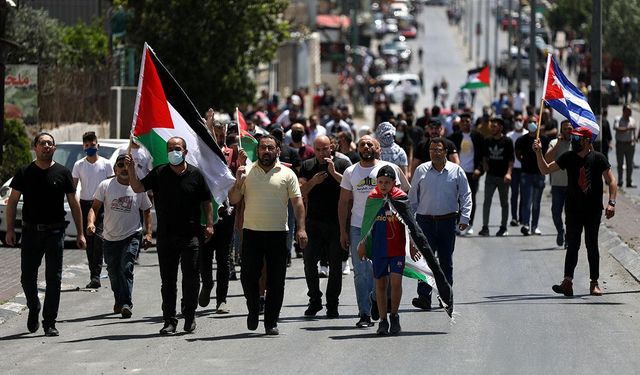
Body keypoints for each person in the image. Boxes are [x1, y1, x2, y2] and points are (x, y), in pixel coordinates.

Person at [127, 136, 214, 334]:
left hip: (191, 235)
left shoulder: (196, 174)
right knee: (168, 280)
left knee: (191, 278)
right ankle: (169, 320)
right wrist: (131, 171)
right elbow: (138, 187)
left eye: (177, 148)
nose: (174, 151)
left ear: (184, 151)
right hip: (166, 236)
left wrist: (209, 224)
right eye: (170, 149)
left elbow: (206, 202)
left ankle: (189, 315)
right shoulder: (159, 173)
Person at [5, 132, 86, 336]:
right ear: (35, 147)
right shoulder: (24, 172)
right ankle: (34, 307)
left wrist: (80, 233)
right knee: (27, 278)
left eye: (50, 143)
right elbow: (12, 201)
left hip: (55, 233)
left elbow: (74, 204)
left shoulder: (63, 172)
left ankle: (50, 322)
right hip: (30, 232)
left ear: (54, 148)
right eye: (42, 143)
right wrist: (9, 230)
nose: (46, 146)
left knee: (54, 278)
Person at [228, 135, 308, 335]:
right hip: (252, 233)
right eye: (263, 148)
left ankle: (271, 322)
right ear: (258, 150)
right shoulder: (246, 171)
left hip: (278, 234)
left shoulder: (287, 174)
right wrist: (238, 182)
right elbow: (234, 199)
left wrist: (301, 228)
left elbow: (298, 203)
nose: (266, 151)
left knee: (276, 280)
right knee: (248, 277)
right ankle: (253, 309)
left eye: (270, 148)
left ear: (277, 151)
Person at [533, 127, 617, 296]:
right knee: (573, 245)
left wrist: (611, 203)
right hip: (573, 209)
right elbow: (545, 169)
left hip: (592, 210)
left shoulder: (598, 158)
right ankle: (567, 282)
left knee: (591, 245)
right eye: (573, 137)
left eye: (578, 138)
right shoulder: (568, 157)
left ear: (586, 140)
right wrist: (538, 152)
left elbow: (612, 181)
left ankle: (594, 282)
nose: (574, 141)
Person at [338, 136, 409, 328]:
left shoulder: (390, 168)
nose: (366, 147)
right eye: (362, 144)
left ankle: (381, 304)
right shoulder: (350, 172)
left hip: (387, 228)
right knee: (361, 272)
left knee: (385, 276)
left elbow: (403, 198)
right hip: (358, 228)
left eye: (370, 144)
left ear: (378, 148)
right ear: (357, 148)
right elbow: (344, 202)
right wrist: (342, 232)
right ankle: (364, 314)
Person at [409, 137, 471, 310]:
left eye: (438, 150)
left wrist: (465, 218)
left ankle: (445, 296)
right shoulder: (421, 170)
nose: (435, 153)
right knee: (424, 261)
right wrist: (410, 221)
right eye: (432, 150)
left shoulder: (456, 171)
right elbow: (413, 198)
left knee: (445, 261)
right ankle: (423, 297)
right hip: (424, 222)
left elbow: (466, 195)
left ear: (445, 151)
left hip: (447, 221)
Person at [87, 155, 153, 318]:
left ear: (133, 168)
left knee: (126, 267)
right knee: (113, 272)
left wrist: (149, 233)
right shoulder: (105, 185)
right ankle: (119, 299)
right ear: (115, 168)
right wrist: (91, 223)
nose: (124, 168)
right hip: (109, 237)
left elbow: (146, 210)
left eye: (128, 165)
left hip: (132, 234)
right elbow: (94, 208)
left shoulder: (138, 188)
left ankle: (126, 303)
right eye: (121, 165)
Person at [357, 166, 418, 335]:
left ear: (394, 183)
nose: (383, 185)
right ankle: (383, 321)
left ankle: (395, 315)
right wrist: (361, 244)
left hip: (397, 247)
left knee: (396, 282)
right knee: (381, 285)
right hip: (379, 248)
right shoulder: (373, 198)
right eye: (381, 182)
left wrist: (413, 245)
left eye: (387, 182)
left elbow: (410, 225)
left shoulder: (401, 198)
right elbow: (367, 224)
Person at [299, 136, 351, 318]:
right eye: (318, 149)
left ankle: (332, 304)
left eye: (325, 149)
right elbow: (300, 192)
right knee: (309, 264)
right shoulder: (307, 165)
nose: (322, 153)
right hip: (313, 222)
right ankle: (314, 300)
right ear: (314, 149)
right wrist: (313, 182)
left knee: (335, 266)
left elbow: (351, 187)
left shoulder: (343, 164)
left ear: (332, 147)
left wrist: (334, 172)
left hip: (336, 222)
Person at [199, 112, 241, 313]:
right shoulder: (202, 155)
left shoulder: (232, 154)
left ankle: (221, 300)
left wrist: (240, 165)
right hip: (206, 212)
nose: (218, 135)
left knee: (223, 258)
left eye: (220, 131)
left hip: (226, 212)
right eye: (214, 132)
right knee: (205, 256)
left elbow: (237, 182)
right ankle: (207, 285)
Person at [72, 131, 113, 289]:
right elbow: (73, 187)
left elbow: (111, 185)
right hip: (85, 204)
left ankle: (98, 272)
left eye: (93, 145)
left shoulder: (106, 164)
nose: (90, 147)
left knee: (99, 238)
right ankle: (94, 275)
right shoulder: (79, 165)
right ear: (83, 147)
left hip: (102, 206)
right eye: (87, 145)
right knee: (89, 240)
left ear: (98, 145)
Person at [449, 113, 484, 235]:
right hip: (457, 173)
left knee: (470, 199)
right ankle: (458, 224)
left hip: (472, 173)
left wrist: (479, 169)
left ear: (471, 122)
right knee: (457, 199)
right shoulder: (454, 137)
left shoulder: (478, 136)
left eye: (467, 121)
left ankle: (469, 224)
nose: (465, 123)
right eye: (462, 121)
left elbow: (482, 156)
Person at [478, 118, 514, 237]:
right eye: (491, 126)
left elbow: (511, 160)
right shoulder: (487, 140)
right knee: (486, 201)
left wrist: (509, 173)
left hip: (503, 177)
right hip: (490, 176)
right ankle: (485, 227)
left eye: (495, 126)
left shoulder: (507, 141)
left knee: (504, 202)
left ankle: (503, 227)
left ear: (500, 128)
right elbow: (483, 155)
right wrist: (484, 164)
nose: (492, 128)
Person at [515, 121, 549, 235]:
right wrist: (524, 162)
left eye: (534, 122)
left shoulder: (544, 139)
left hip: (539, 174)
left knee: (536, 202)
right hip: (526, 174)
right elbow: (518, 154)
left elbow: (548, 156)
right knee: (526, 201)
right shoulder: (521, 140)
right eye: (530, 123)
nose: (532, 125)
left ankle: (535, 226)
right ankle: (525, 224)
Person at [545, 120, 572, 247]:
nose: (568, 131)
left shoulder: (577, 144)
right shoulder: (554, 143)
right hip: (557, 184)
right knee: (556, 212)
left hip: (572, 185)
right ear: (561, 130)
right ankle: (560, 231)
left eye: (570, 128)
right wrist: (558, 144)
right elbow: (548, 159)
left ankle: (568, 237)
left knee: (570, 214)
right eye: (565, 129)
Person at [506, 113, 527, 227]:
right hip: (513, 169)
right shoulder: (509, 135)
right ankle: (514, 217)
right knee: (514, 194)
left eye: (520, 120)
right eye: (516, 120)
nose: (518, 122)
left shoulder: (527, 134)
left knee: (524, 195)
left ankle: (522, 217)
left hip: (524, 169)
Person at [613, 105, 636, 188]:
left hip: (630, 145)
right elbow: (616, 128)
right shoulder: (618, 119)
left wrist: (634, 140)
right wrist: (627, 129)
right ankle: (620, 181)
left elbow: (633, 131)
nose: (630, 112)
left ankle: (629, 181)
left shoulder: (632, 120)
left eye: (630, 110)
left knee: (630, 164)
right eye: (628, 110)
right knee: (620, 164)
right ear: (623, 111)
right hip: (620, 144)